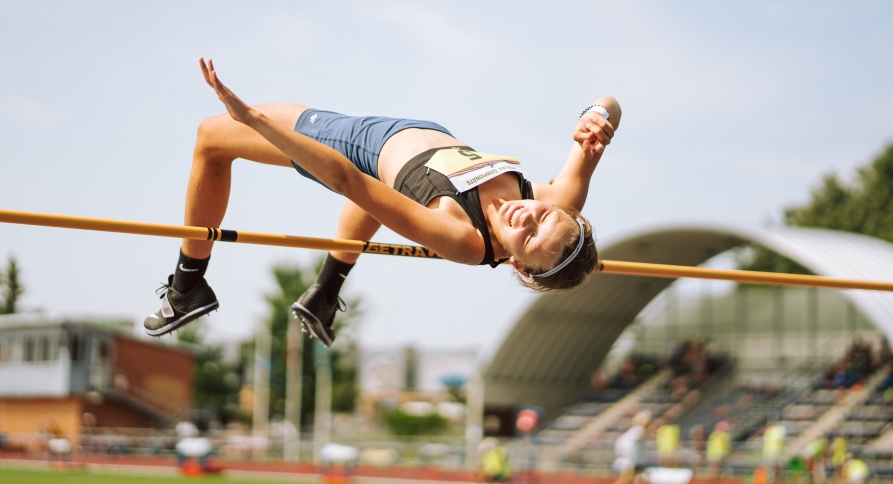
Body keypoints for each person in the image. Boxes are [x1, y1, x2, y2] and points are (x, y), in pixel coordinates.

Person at [143, 58, 621, 343]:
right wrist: (595, 118)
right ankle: (325, 294)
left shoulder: (463, 240)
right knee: (388, 200)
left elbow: (352, 183)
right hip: (415, 138)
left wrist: (254, 121)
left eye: (528, 236)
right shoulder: (563, 200)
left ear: (518, 265)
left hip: (360, 146)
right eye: (544, 216)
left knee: (211, 138)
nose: (528, 216)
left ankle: (188, 288)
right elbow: (611, 102)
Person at [615, 410, 652, 484]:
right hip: (631, 461)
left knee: (641, 479)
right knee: (625, 480)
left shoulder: (633, 431)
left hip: (636, 461)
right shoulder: (639, 430)